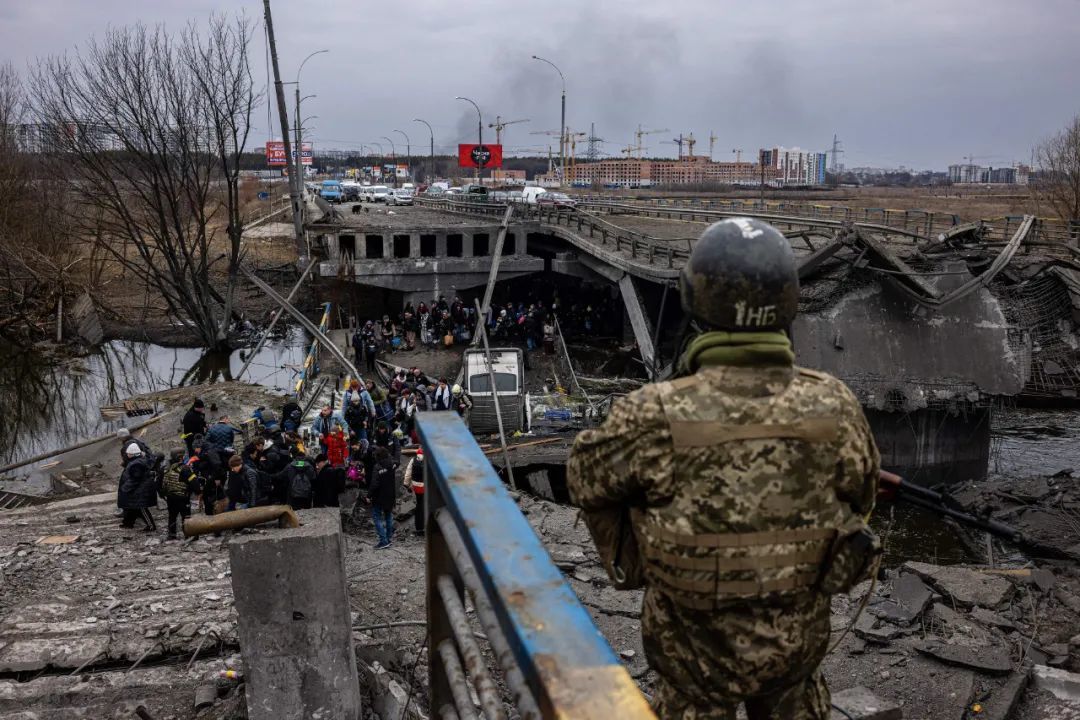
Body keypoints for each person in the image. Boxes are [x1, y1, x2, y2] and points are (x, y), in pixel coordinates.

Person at [566, 218, 880, 720]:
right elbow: (861, 501)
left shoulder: (653, 414)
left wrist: (633, 556)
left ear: (696, 299)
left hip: (694, 665)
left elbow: (585, 479)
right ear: (788, 301)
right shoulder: (835, 405)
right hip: (795, 659)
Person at [160, 450, 201, 540]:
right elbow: (194, 483)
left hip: (170, 497)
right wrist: (198, 491)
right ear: (181, 457)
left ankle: (172, 534)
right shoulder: (185, 469)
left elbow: (160, 483)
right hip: (183, 497)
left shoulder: (166, 468)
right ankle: (188, 534)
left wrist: (163, 494)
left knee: (172, 515)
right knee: (186, 516)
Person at [118, 443, 159, 531]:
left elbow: (135, 479)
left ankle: (151, 526)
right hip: (139, 489)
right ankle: (128, 523)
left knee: (141, 508)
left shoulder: (136, 464)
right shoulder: (139, 461)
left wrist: (125, 488)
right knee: (133, 507)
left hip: (140, 490)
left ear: (132, 454)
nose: (127, 455)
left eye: (128, 453)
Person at [369, 446, 397, 549]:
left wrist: (369, 495)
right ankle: (388, 539)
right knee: (388, 515)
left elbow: (374, 484)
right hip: (390, 495)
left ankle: (383, 541)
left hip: (379, 496)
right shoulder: (392, 464)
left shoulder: (377, 467)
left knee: (377, 517)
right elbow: (397, 458)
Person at [403, 447, 426, 535]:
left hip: (416, 486)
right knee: (425, 506)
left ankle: (419, 527)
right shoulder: (429, 460)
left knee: (419, 505)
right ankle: (426, 527)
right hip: (426, 486)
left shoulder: (413, 460)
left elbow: (408, 473)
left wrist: (406, 484)